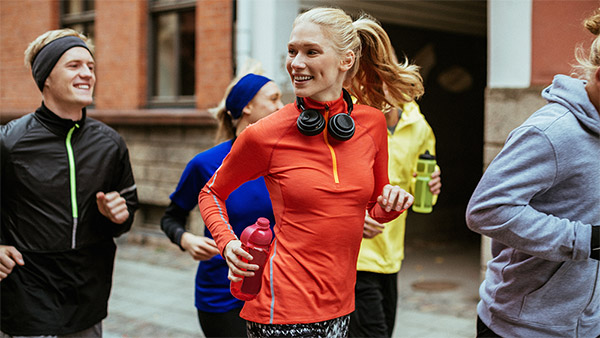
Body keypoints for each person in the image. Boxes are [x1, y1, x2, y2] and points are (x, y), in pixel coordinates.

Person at [198, 7, 422, 337]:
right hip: (280, 308)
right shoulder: (265, 134)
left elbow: (375, 207)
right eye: (292, 51)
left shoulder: (372, 124)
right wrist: (228, 244)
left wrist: (391, 204)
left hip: (342, 305)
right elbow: (211, 192)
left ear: (346, 60)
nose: (295, 63)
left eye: (311, 52)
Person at [465, 10, 600, 338]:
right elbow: (485, 209)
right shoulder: (552, 132)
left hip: (587, 325)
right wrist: (586, 241)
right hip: (521, 327)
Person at [0, 29, 138, 337]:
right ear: (46, 77)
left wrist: (118, 215)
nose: (87, 73)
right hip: (27, 299)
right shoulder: (9, 142)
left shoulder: (110, 144)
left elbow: (127, 212)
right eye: (74, 65)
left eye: (90, 66)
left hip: (87, 299)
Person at [160, 69, 283, 337]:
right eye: (274, 99)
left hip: (278, 294)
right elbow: (171, 217)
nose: (282, 107)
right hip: (222, 296)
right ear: (247, 106)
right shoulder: (206, 164)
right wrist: (186, 240)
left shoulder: (285, 163)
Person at [349, 98, 441, 336]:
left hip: (391, 254)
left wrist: (431, 187)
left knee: (385, 330)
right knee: (373, 332)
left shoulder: (418, 125)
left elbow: (418, 189)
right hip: (356, 257)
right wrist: (352, 216)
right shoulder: (350, 119)